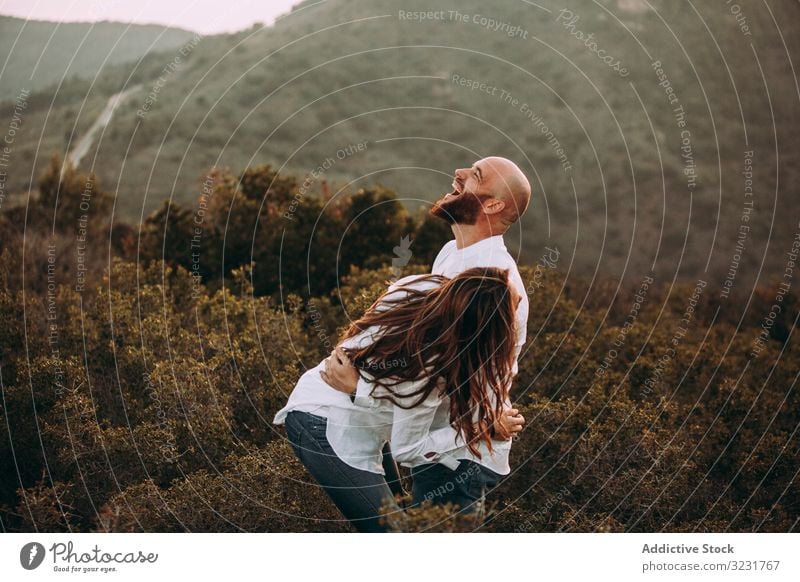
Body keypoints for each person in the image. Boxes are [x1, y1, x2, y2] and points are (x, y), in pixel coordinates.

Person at [324, 156, 532, 514]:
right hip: (429, 437)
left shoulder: (495, 281)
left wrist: (363, 389)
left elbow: (444, 369)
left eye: (475, 176)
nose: (459, 172)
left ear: (494, 204)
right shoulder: (453, 253)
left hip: (460, 455)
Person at [274, 267, 523, 532]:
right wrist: (480, 430)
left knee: (404, 520)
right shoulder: (427, 369)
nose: (518, 295)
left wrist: (362, 389)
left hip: (360, 417)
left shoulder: (425, 288)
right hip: (325, 422)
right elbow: (408, 449)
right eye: (512, 303)